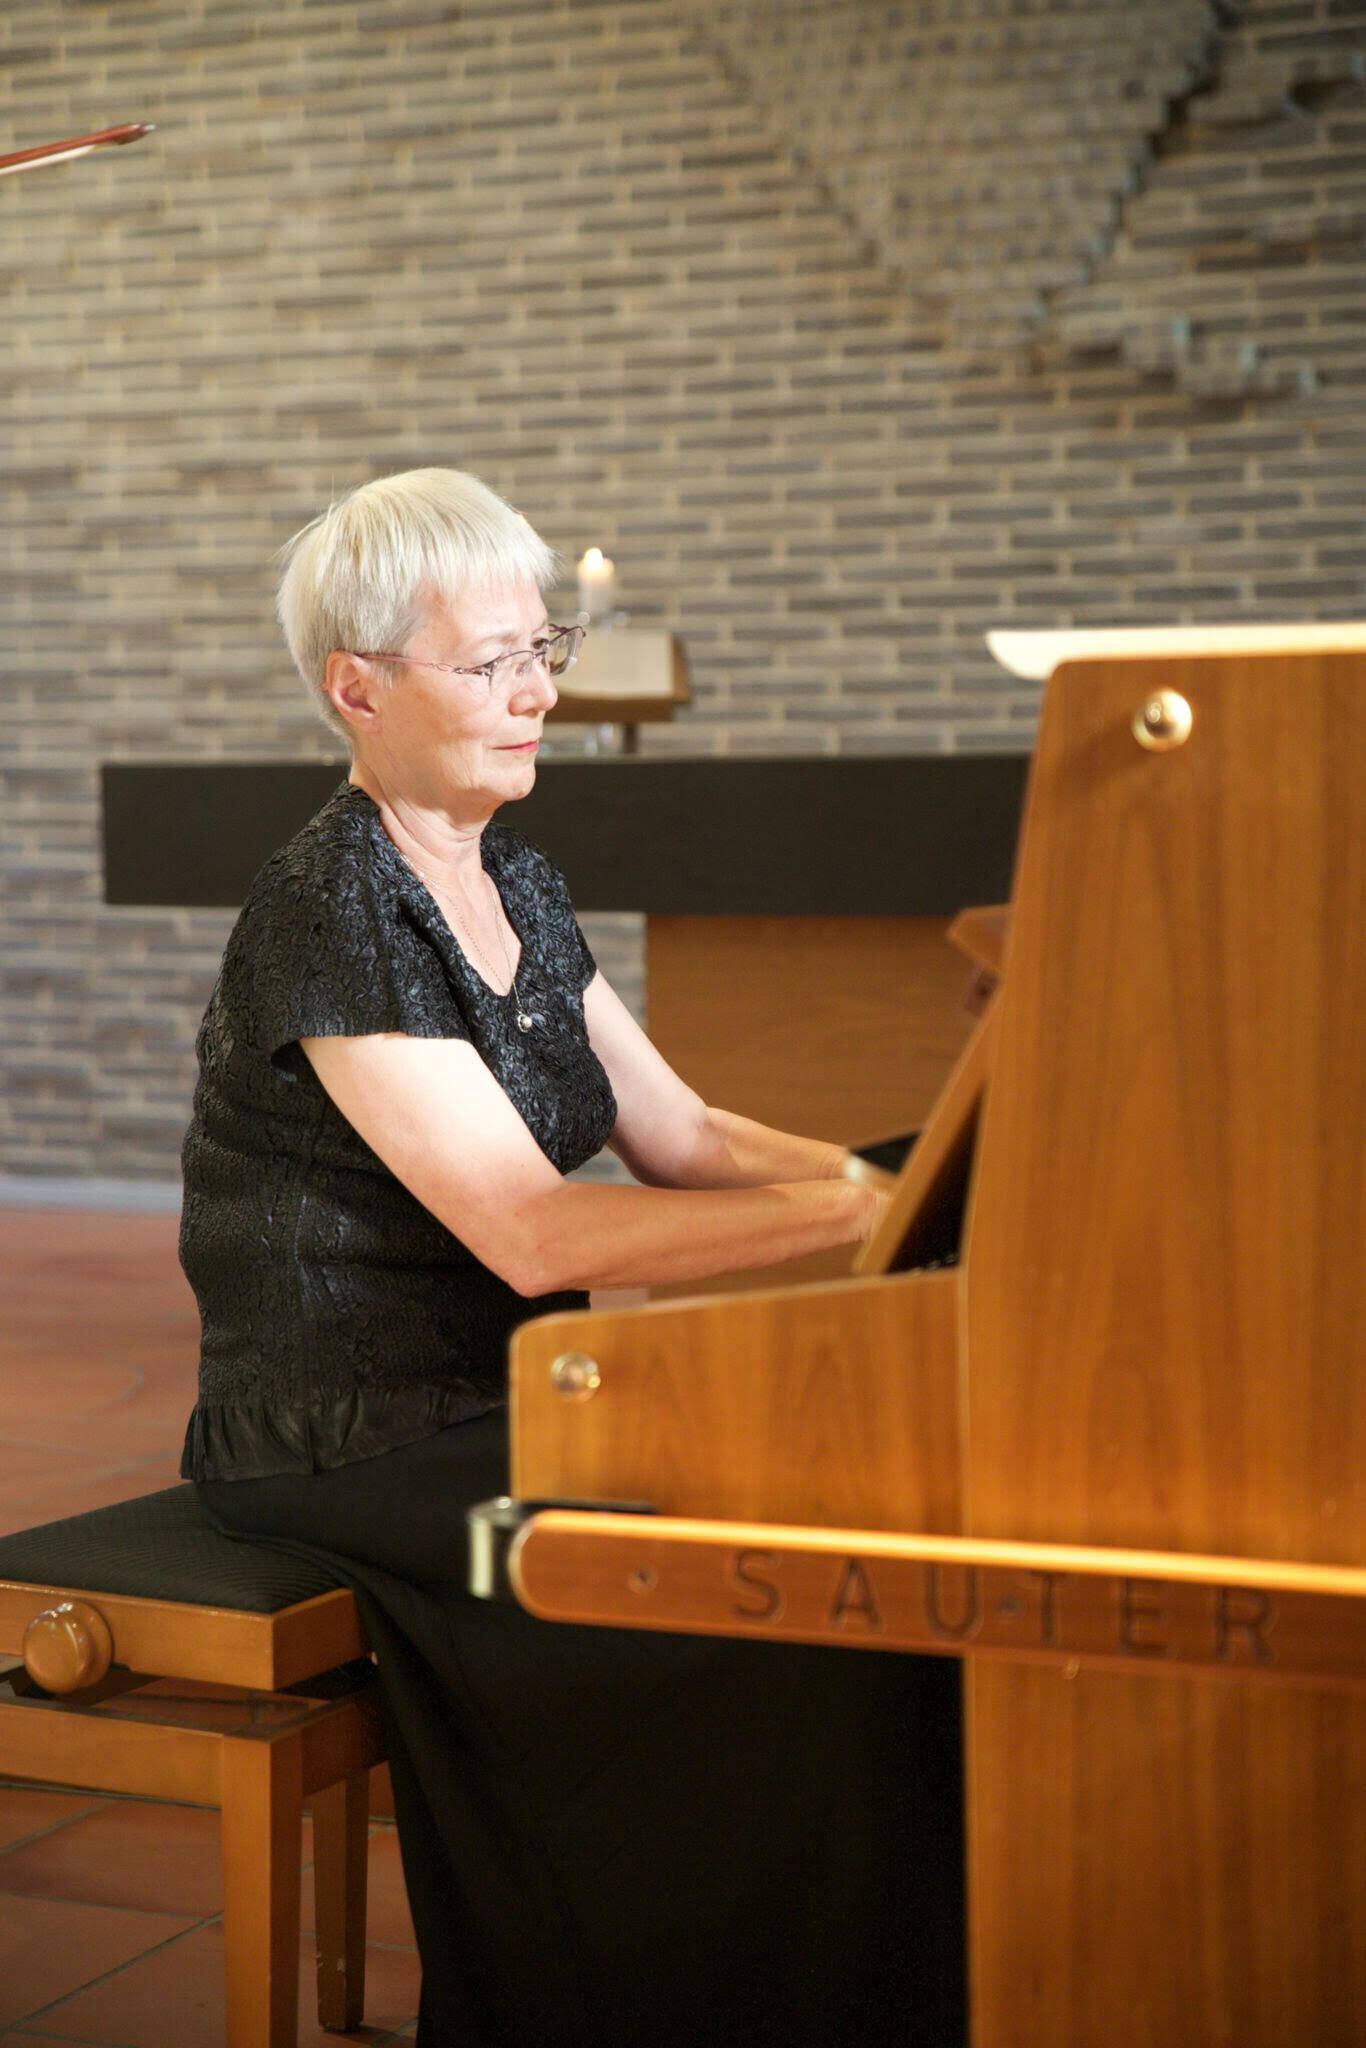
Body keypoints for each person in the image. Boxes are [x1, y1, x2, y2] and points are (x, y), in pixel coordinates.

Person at [181, 466, 965, 2047]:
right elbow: (532, 1232)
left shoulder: (510, 876)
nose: (539, 691)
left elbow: (677, 1133)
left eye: (543, 650)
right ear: (359, 687)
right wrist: (863, 1218)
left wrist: (907, 1169)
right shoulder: (330, 907)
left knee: (857, 1543)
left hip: (519, 1391)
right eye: (492, 664)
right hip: (347, 1438)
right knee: (752, 1621)